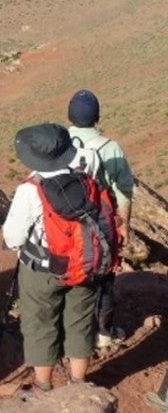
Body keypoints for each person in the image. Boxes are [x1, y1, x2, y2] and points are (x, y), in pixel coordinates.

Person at [3, 123, 97, 394]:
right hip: (85, 262)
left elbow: (13, 237)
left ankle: (43, 385)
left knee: (40, 322)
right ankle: (79, 384)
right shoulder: (86, 178)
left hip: (43, 268)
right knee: (81, 320)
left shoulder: (31, 188)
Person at [67, 89, 134, 347]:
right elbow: (124, 190)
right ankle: (103, 333)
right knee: (104, 276)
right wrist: (124, 224)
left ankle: (72, 334)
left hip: (66, 222)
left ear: (69, 116)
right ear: (97, 117)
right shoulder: (110, 147)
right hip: (101, 221)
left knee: (71, 274)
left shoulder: (59, 143)